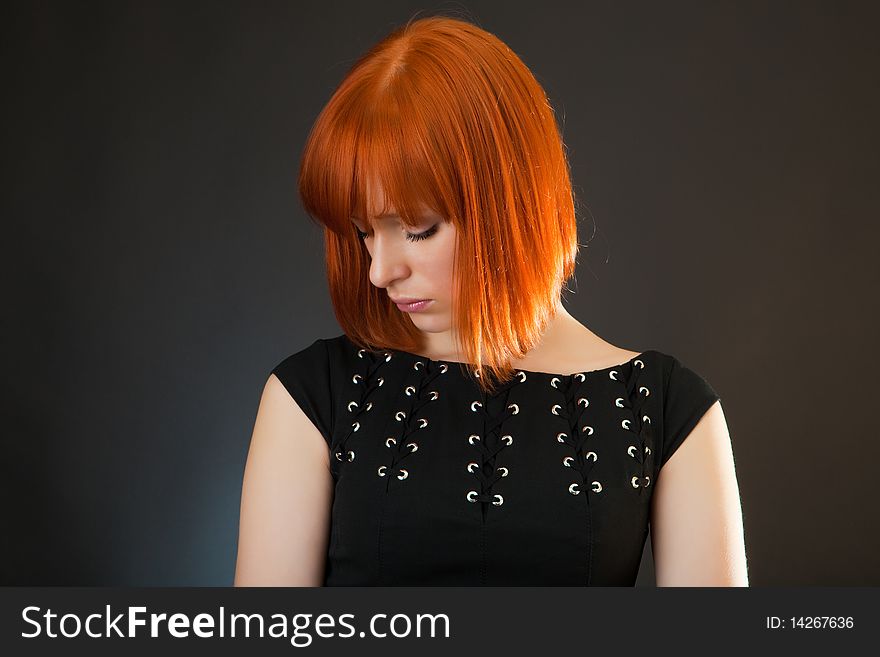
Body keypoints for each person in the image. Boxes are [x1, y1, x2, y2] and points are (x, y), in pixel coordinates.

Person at [233, 13, 748, 586]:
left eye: (417, 228)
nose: (379, 271)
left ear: (511, 202)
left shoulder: (669, 411)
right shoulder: (312, 397)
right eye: (362, 232)